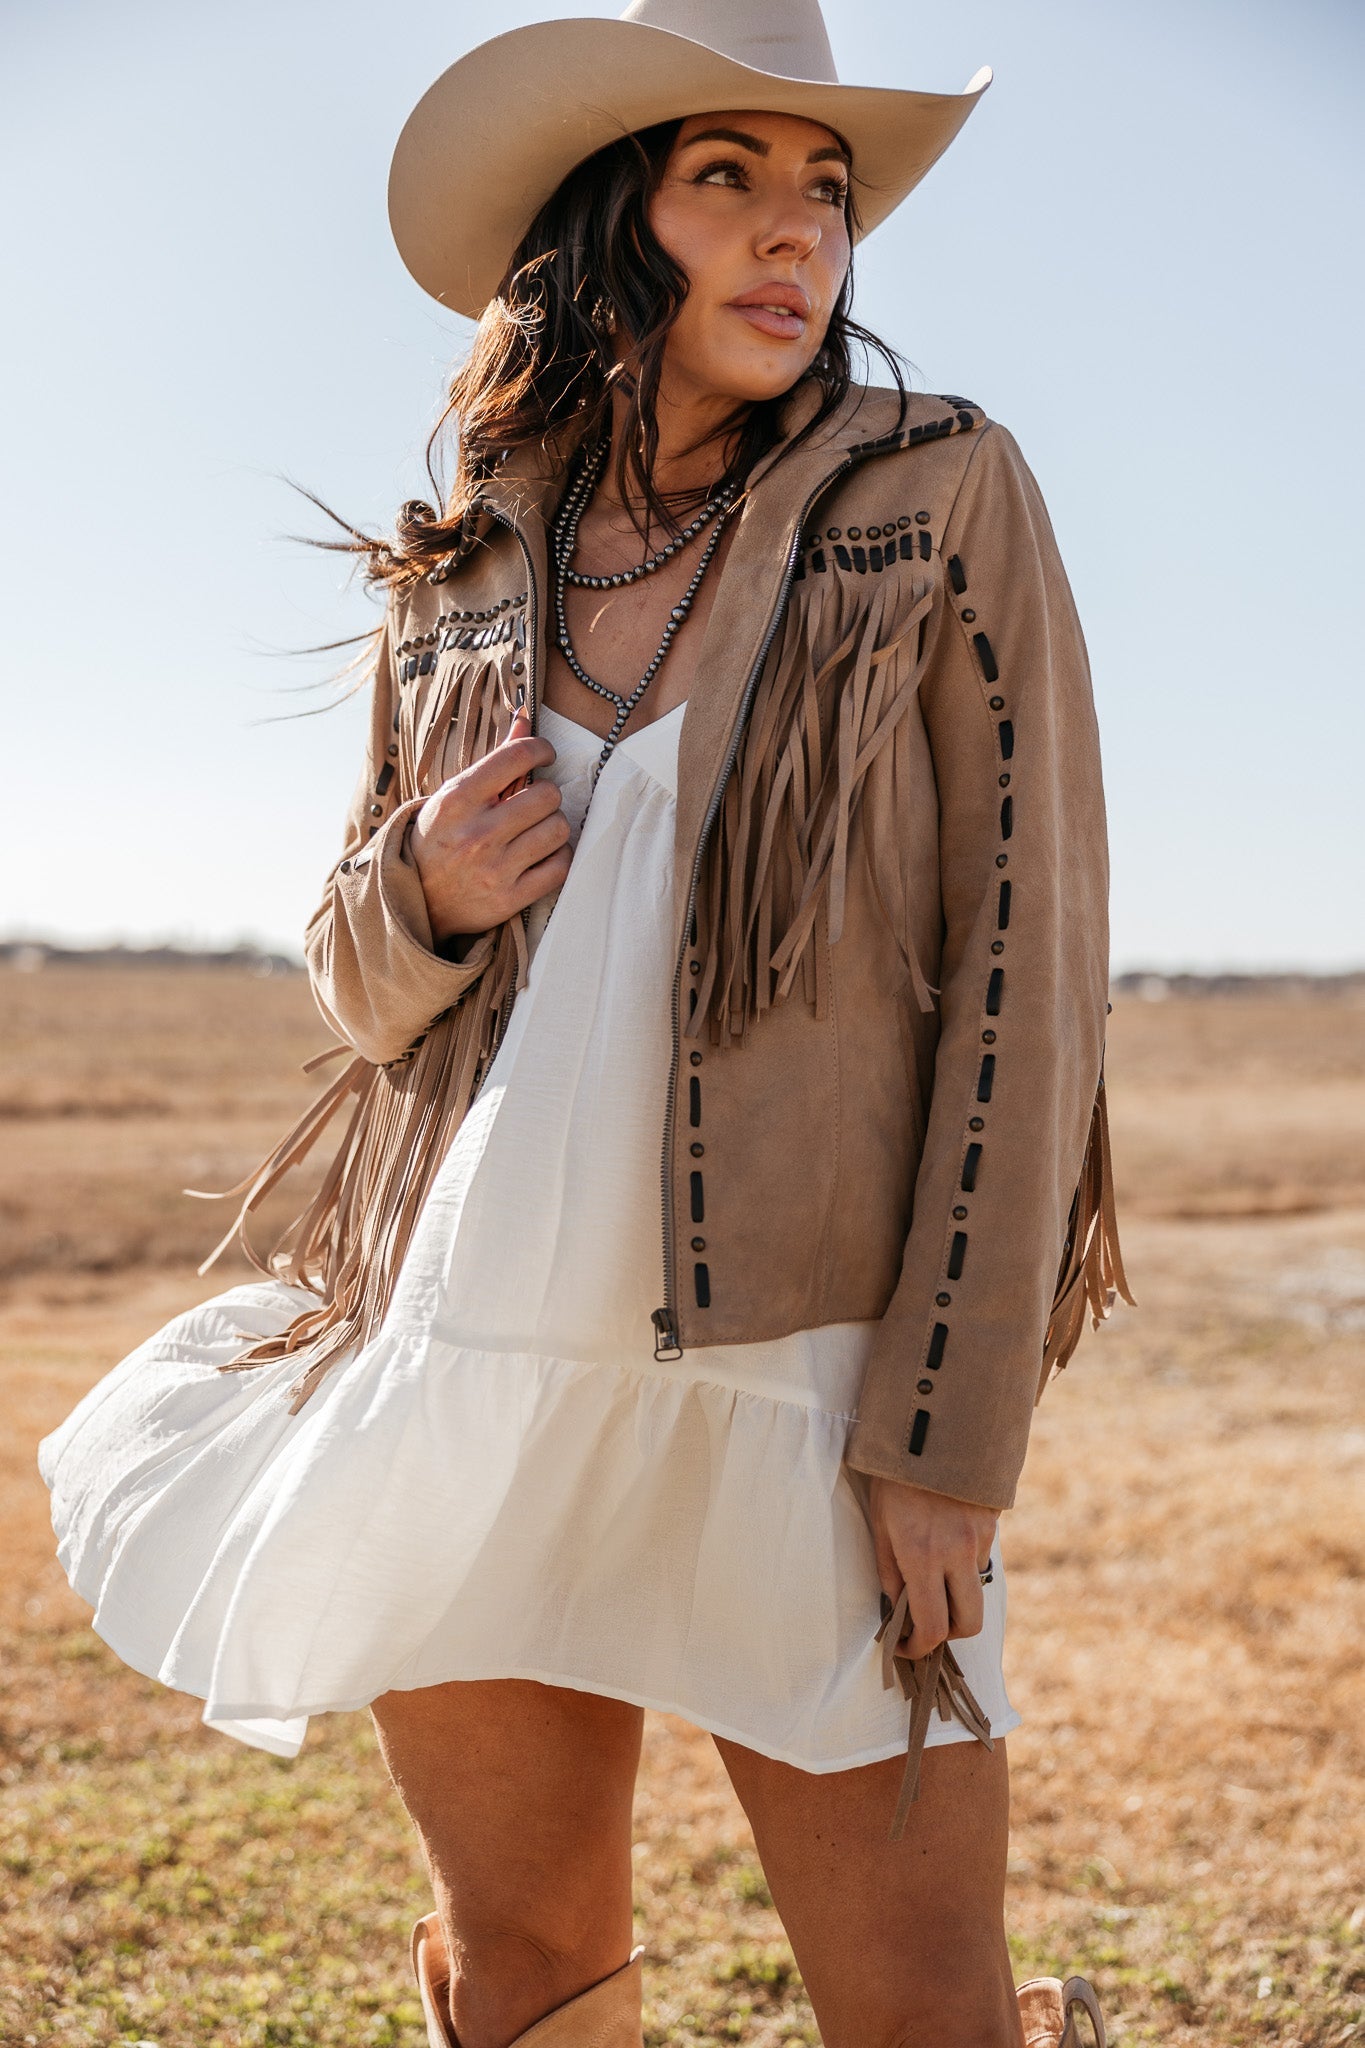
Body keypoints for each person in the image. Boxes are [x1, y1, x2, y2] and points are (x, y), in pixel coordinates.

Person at [40, 3, 1131, 2043]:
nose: (795, 235)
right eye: (728, 177)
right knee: (525, 1966)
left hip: (798, 1378)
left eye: (823, 191)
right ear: (601, 220)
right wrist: (424, 895)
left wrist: (946, 1426)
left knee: (918, 1999)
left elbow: (1029, 971)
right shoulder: (463, 564)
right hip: (481, 1350)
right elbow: (353, 987)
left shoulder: (937, 498)